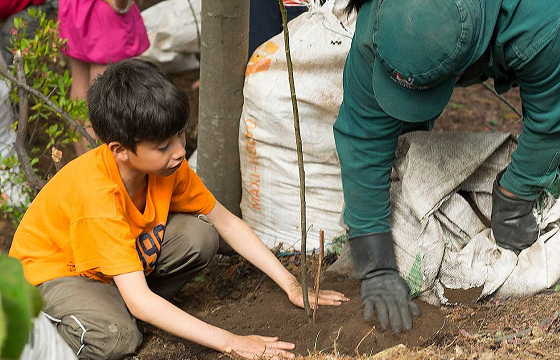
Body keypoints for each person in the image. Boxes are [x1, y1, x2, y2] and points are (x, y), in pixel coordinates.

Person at [9, 59, 348, 360]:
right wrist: (232, 342)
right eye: (163, 146)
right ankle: (52, 330)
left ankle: (125, 307)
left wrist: (291, 284)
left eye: (180, 137)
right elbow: (140, 300)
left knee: (199, 235)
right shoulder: (99, 197)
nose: (180, 151)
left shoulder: (167, 168)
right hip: (53, 276)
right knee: (117, 338)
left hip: (113, 269)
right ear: (120, 150)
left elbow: (226, 223)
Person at [332, 0, 560, 334]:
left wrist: (515, 194)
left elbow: (558, 114)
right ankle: (395, 234)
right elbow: (362, 134)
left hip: (548, 15)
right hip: (454, 27)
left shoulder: (542, 19)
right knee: (396, 116)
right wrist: (374, 261)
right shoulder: (382, 22)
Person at [57, 0, 149, 156]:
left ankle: (85, 162)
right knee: (105, 101)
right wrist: (121, 4)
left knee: (81, 89)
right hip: (106, 15)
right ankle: (101, 166)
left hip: (76, 7)